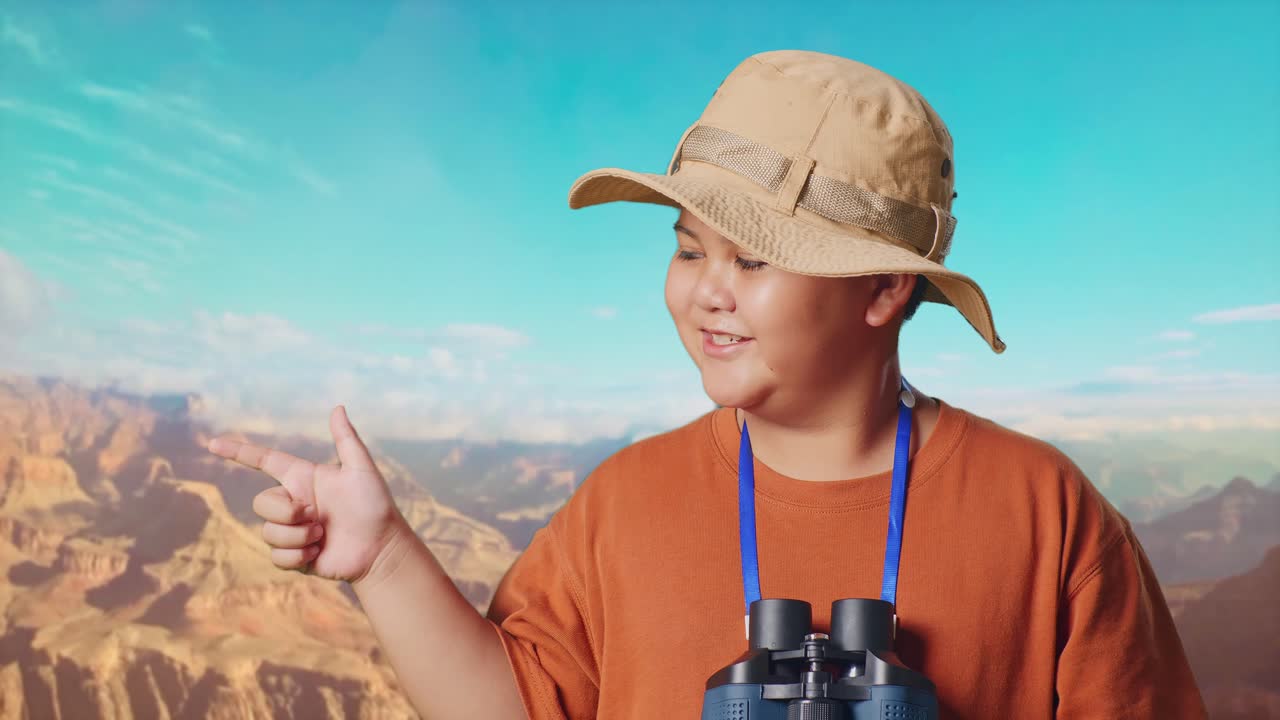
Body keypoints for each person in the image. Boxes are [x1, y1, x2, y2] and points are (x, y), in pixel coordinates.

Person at [207, 50, 1207, 718]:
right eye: (689, 251)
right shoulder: (624, 502)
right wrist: (381, 559)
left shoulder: (1043, 512)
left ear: (883, 287)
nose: (705, 295)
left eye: (754, 260)